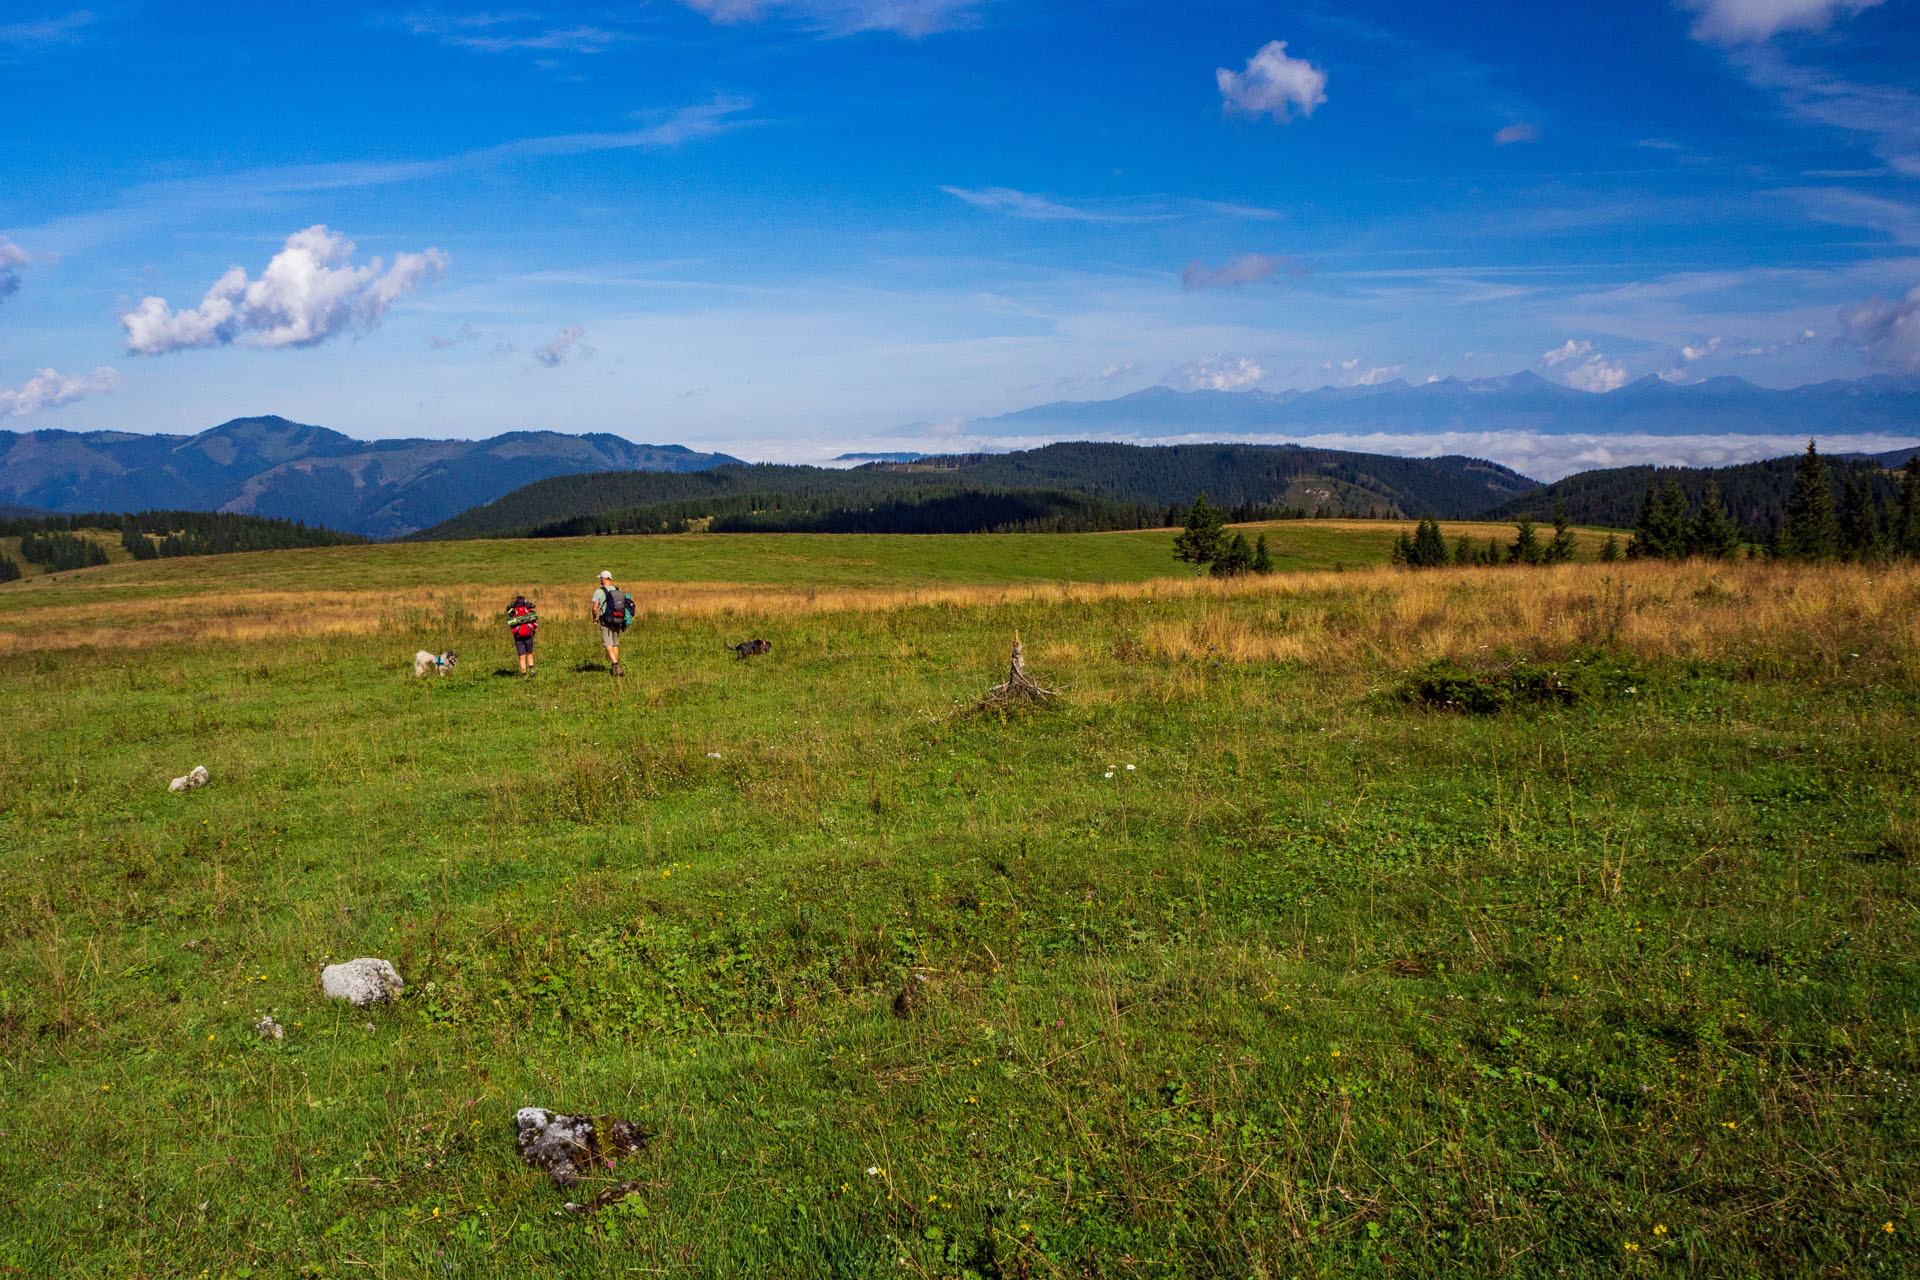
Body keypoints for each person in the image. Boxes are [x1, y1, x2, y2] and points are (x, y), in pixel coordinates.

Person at [589, 570, 625, 676]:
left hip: (606, 620)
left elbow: (595, 608)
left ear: (604, 579)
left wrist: (594, 618)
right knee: (615, 643)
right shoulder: (618, 589)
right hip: (618, 619)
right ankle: (615, 669)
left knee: (607, 644)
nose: (600, 580)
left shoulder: (599, 592)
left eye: (601, 578)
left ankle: (616, 665)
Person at [505, 593, 538, 676]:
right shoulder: (527, 608)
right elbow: (534, 614)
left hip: (518, 637)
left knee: (521, 656)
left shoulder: (513, 610)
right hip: (528, 635)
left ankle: (524, 674)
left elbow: (510, 619)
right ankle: (532, 671)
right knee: (529, 653)